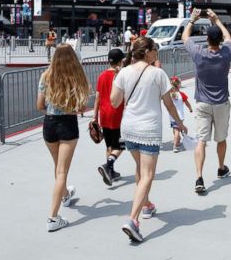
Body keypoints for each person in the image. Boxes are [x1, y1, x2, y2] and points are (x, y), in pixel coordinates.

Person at [111, 37, 186, 244]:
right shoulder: (158, 74)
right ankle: (132, 220)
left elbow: (114, 101)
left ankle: (146, 205)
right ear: (147, 52)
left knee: (139, 169)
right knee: (148, 174)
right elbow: (169, 104)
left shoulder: (124, 72)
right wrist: (179, 123)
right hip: (149, 128)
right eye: (155, 49)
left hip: (129, 127)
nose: (157, 53)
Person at [36, 44, 90, 232]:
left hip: (49, 123)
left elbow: (39, 104)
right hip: (68, 123)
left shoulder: (46, 76)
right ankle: (53, 217)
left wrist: (51, 111)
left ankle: (65, 194)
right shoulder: (76, 77)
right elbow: (82, 107)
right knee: (62, 171)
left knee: (58, 166)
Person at [182, 8, 231, 194]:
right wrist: (217, 20)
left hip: (202, 103)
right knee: (221, 139)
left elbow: (185, 37)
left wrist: (192, 19)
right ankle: (221, 167)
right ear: (219, 39)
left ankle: (199, 176)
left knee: (201, 141)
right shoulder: (226, 53)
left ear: (207, 39)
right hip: (221, 103)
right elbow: (229, 38)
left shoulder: (199, 54)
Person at [95, 48, 127, 185]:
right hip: (117, 114)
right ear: (120, 60)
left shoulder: (101, 76)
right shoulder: (120, 75)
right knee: (120, 145)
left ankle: (111, 172)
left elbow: (97, 98)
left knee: (109, 146)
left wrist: (94, 117)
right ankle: (108, 166)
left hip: (104, 114)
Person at [167, 77, 192, 152]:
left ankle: (177, 142)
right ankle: (175, 146)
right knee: (178, 129)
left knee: (175, 129)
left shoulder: (169, 94)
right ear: (179, 85)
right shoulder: (181, 94)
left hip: (172, 116)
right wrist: (190, 108)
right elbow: (187, 103)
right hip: (180, 116)